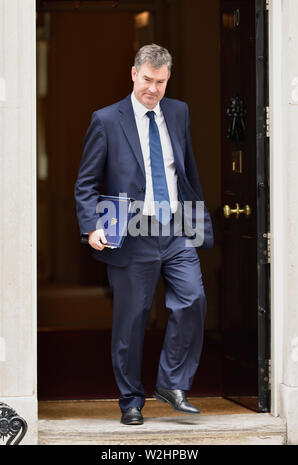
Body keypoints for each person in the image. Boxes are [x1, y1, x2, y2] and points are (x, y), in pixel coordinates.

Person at [74, 44, 213, 425]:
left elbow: (185, 170)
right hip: (129, 231)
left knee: (193, 299)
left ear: (168, 80)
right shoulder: (105, 120)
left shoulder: (179, 112)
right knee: (131, 320)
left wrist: (196, 220)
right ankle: (131, 400)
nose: (153, 89)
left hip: (174, 229)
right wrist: (91, 227)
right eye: (148, 80)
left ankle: (171, 382)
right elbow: (86, 183)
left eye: (161, 82)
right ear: (133, 74)